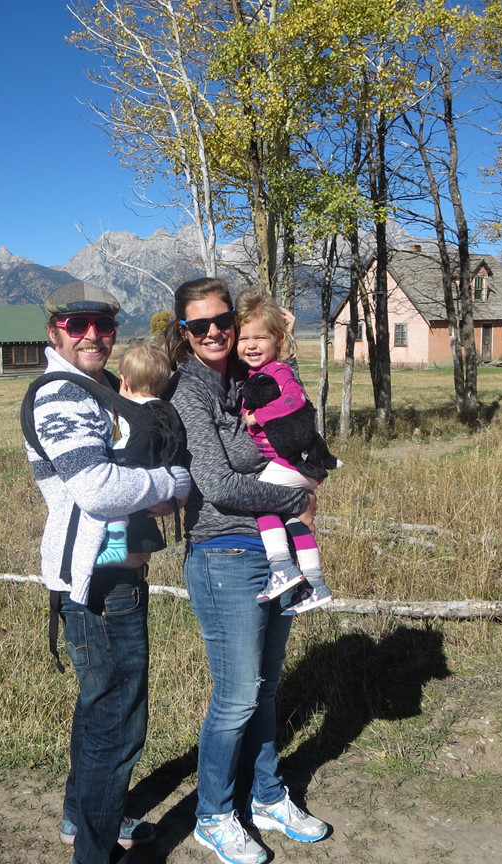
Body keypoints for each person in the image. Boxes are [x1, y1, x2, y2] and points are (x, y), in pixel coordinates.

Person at [24, 282, 192, 864]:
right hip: (101, 584)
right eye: (78, 324)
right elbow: (96, 489)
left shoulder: (94, 390)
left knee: (100, 709)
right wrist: (174, 485)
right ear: (55, 331)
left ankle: (82, 819)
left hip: (106, 576)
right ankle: (95, 855)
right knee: (119, 721)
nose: (93, 334)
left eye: (104, 324)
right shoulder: (60, 398)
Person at [165, 277, 331, 864]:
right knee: (236, 697)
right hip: (223, 555)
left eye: (222, 320)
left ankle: (266, 797)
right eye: (199, 325)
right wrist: (297, 496)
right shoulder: (189, 392)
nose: (214, 332)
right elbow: (217, 485)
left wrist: (308, 466)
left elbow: (296, 431)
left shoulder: (252, 375)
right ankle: (214, 814)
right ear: (184, 333)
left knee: (265, 690)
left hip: (272, 550)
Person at [234, 290, 339, 616]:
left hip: (289, 461)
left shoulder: (278, 371)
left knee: (262, 499)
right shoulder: (256, 372)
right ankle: (316, 584)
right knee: (295, 521)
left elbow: (296, 402)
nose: (251, 345)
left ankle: (282, 567)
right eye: (243, 338)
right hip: (300, 467)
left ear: (277, 341)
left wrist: (257, 416)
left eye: (260, 338)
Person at [95, 340, 183, 568]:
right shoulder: (167, 410)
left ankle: (116, 545)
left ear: (123, 380)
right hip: (160, 474)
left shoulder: (134, 413)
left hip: (134, 469)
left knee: (115, 503)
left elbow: (126, 444)